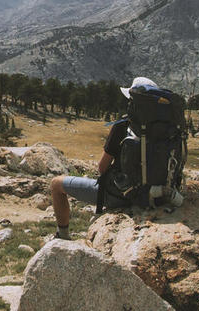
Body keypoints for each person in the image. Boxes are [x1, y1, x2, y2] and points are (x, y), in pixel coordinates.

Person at [49, 76, 158, 240]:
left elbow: (102, 167)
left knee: (56, 184)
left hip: (122, 194)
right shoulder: (168, 129)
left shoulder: (124, 125)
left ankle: (62, 235)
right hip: (159, 194)